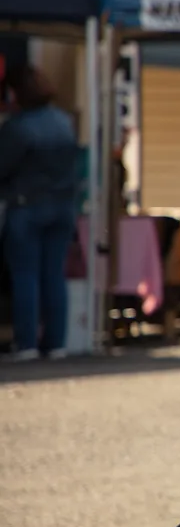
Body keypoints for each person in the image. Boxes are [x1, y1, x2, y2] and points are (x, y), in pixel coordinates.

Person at [0, 67, 80, 362]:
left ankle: (27, 343)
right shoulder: (64, 121)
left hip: (26, 206)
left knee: (25, 276)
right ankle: (56, 343)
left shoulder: (17, 127)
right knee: (54, 275)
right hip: (62, 206)